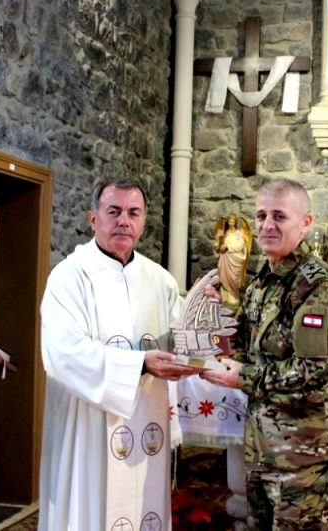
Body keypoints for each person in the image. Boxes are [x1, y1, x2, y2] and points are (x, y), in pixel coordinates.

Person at [38, 177, 203, 531]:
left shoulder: (159, 280)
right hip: (88, 425)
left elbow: (181, 339)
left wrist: (203, 315)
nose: (124, 221)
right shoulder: (70, 277)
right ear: (93, 218)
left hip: (146, 420)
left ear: (143, 221)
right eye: (113, 212)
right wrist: (140, 364)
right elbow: (64, 353)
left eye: (133, 213)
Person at [201, 178, 328, 530]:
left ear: (305, 223)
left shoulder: (319, 285)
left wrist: (241, 377)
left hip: (303, 458)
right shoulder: (262, 283)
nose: (267, 225)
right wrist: (219, 318)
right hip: (262, 449)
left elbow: (314, 373)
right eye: (261, 215)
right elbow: (247, 349)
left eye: (279, 216)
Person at [215, 214, 251, 310]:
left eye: (233, 220)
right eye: (230, 220)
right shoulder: (225, 233)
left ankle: (234, 298)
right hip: (225, 258)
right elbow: (218, 245)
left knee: (234, 279)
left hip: (235, 259)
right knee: (224, 277)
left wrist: (228, 247)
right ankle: (225, 298)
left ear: (235, 222)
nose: (231, 222)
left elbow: (240, 245)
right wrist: (220, 246)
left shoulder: (239, 233)